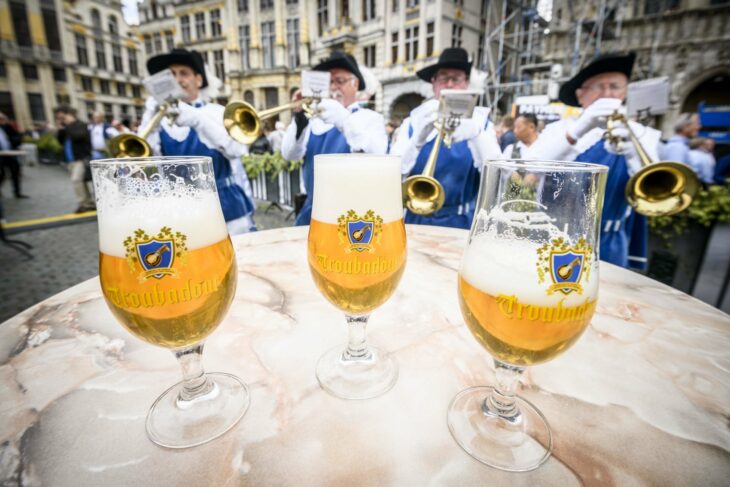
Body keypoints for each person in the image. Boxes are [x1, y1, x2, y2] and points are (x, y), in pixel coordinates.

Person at [524, 52, 662, 270]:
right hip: (552, 235)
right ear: (581, 95)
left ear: (626, 92)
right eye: (599, 87)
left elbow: (653, 194)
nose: (607, 94)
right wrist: (578, 130)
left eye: (615, 86)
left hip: (608, 244)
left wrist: (633, 152)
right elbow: (528, 168)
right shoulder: (559, 130)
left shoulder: (642, 134)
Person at [142, 48, 255, 234]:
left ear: (199, 80)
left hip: (225, 207)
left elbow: (237, 150)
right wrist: (149, 117)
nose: (178, 80)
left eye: (184, 73)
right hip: (179, 210)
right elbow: (145, 164)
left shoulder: (217, 112)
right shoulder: (158, 120)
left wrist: (198, 120)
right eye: (171, 75)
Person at [389, 47, 502, 229]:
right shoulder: (412, 122)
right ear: (433, 83)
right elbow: (394, 174)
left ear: (466, 83)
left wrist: (477, 134)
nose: (449, 84)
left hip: (461, 222)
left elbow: (497, 175)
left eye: (456, 78)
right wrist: (417, 141)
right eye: (443, 78)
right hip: (416, 220)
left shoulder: (481, 123)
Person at [280, 51, 387, 226]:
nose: (333, 87)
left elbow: (376, 157)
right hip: (313, 213)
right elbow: (289, 154)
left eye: (339, 81)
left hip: (353, 216)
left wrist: (343, 119)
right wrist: (300, 119)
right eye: (328, 82)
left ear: (355, 84)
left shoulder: (370, 118)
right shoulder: (313, 120)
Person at [54, 106, 94, 212]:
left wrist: (69, 125)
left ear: (70, 115)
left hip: (80, 158)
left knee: (76, 180)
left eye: (64, 117)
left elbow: (78, 136)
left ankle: (83, 204)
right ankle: (88, 202)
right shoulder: (67, 127)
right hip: (70, 159)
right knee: (81, 182)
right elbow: (60, 141)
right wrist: (60, 129)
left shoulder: (81, 125)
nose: (63, 120)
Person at [0, 112, 28, 198]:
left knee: (15, 173)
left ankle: (17, 193)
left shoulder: (7, 127)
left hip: (11, 154)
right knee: (2, 174)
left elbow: (17, 137)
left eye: (3, 118)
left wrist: (13, 141)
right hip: (1, 156)